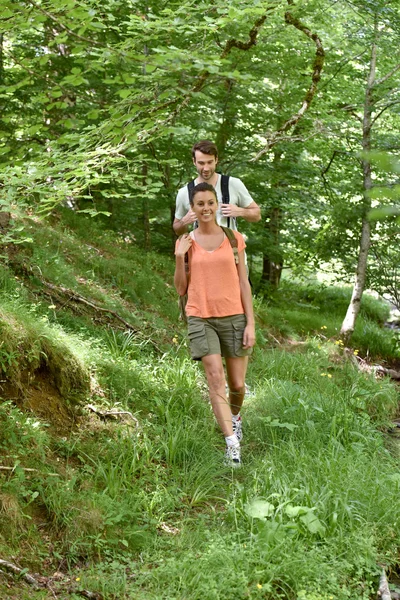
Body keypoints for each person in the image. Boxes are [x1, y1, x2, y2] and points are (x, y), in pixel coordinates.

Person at [174, 182, 256, 466]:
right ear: (192, 208)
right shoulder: (186, 242)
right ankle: (232, 445)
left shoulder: (234, 239)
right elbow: (181, 289)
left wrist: (250, 324)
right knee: (215, 379)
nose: (206, 208)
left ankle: (235, 417)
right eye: (200, 204)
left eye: (210, 203)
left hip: (234, 316)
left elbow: (244, 283)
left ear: (216, 205)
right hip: (200, 316)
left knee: (237, 384)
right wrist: (178, 257)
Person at [173, 140, 261, 236]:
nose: (206, 168)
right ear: (194, 161)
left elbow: (257, 215)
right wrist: (184, 221)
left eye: (210, 162)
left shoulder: (233, 184)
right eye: (201, 163)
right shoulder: (184, 192)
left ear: (216, 160)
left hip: (231, 250)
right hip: (200, 250)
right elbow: (177, 229)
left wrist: (240, 211)